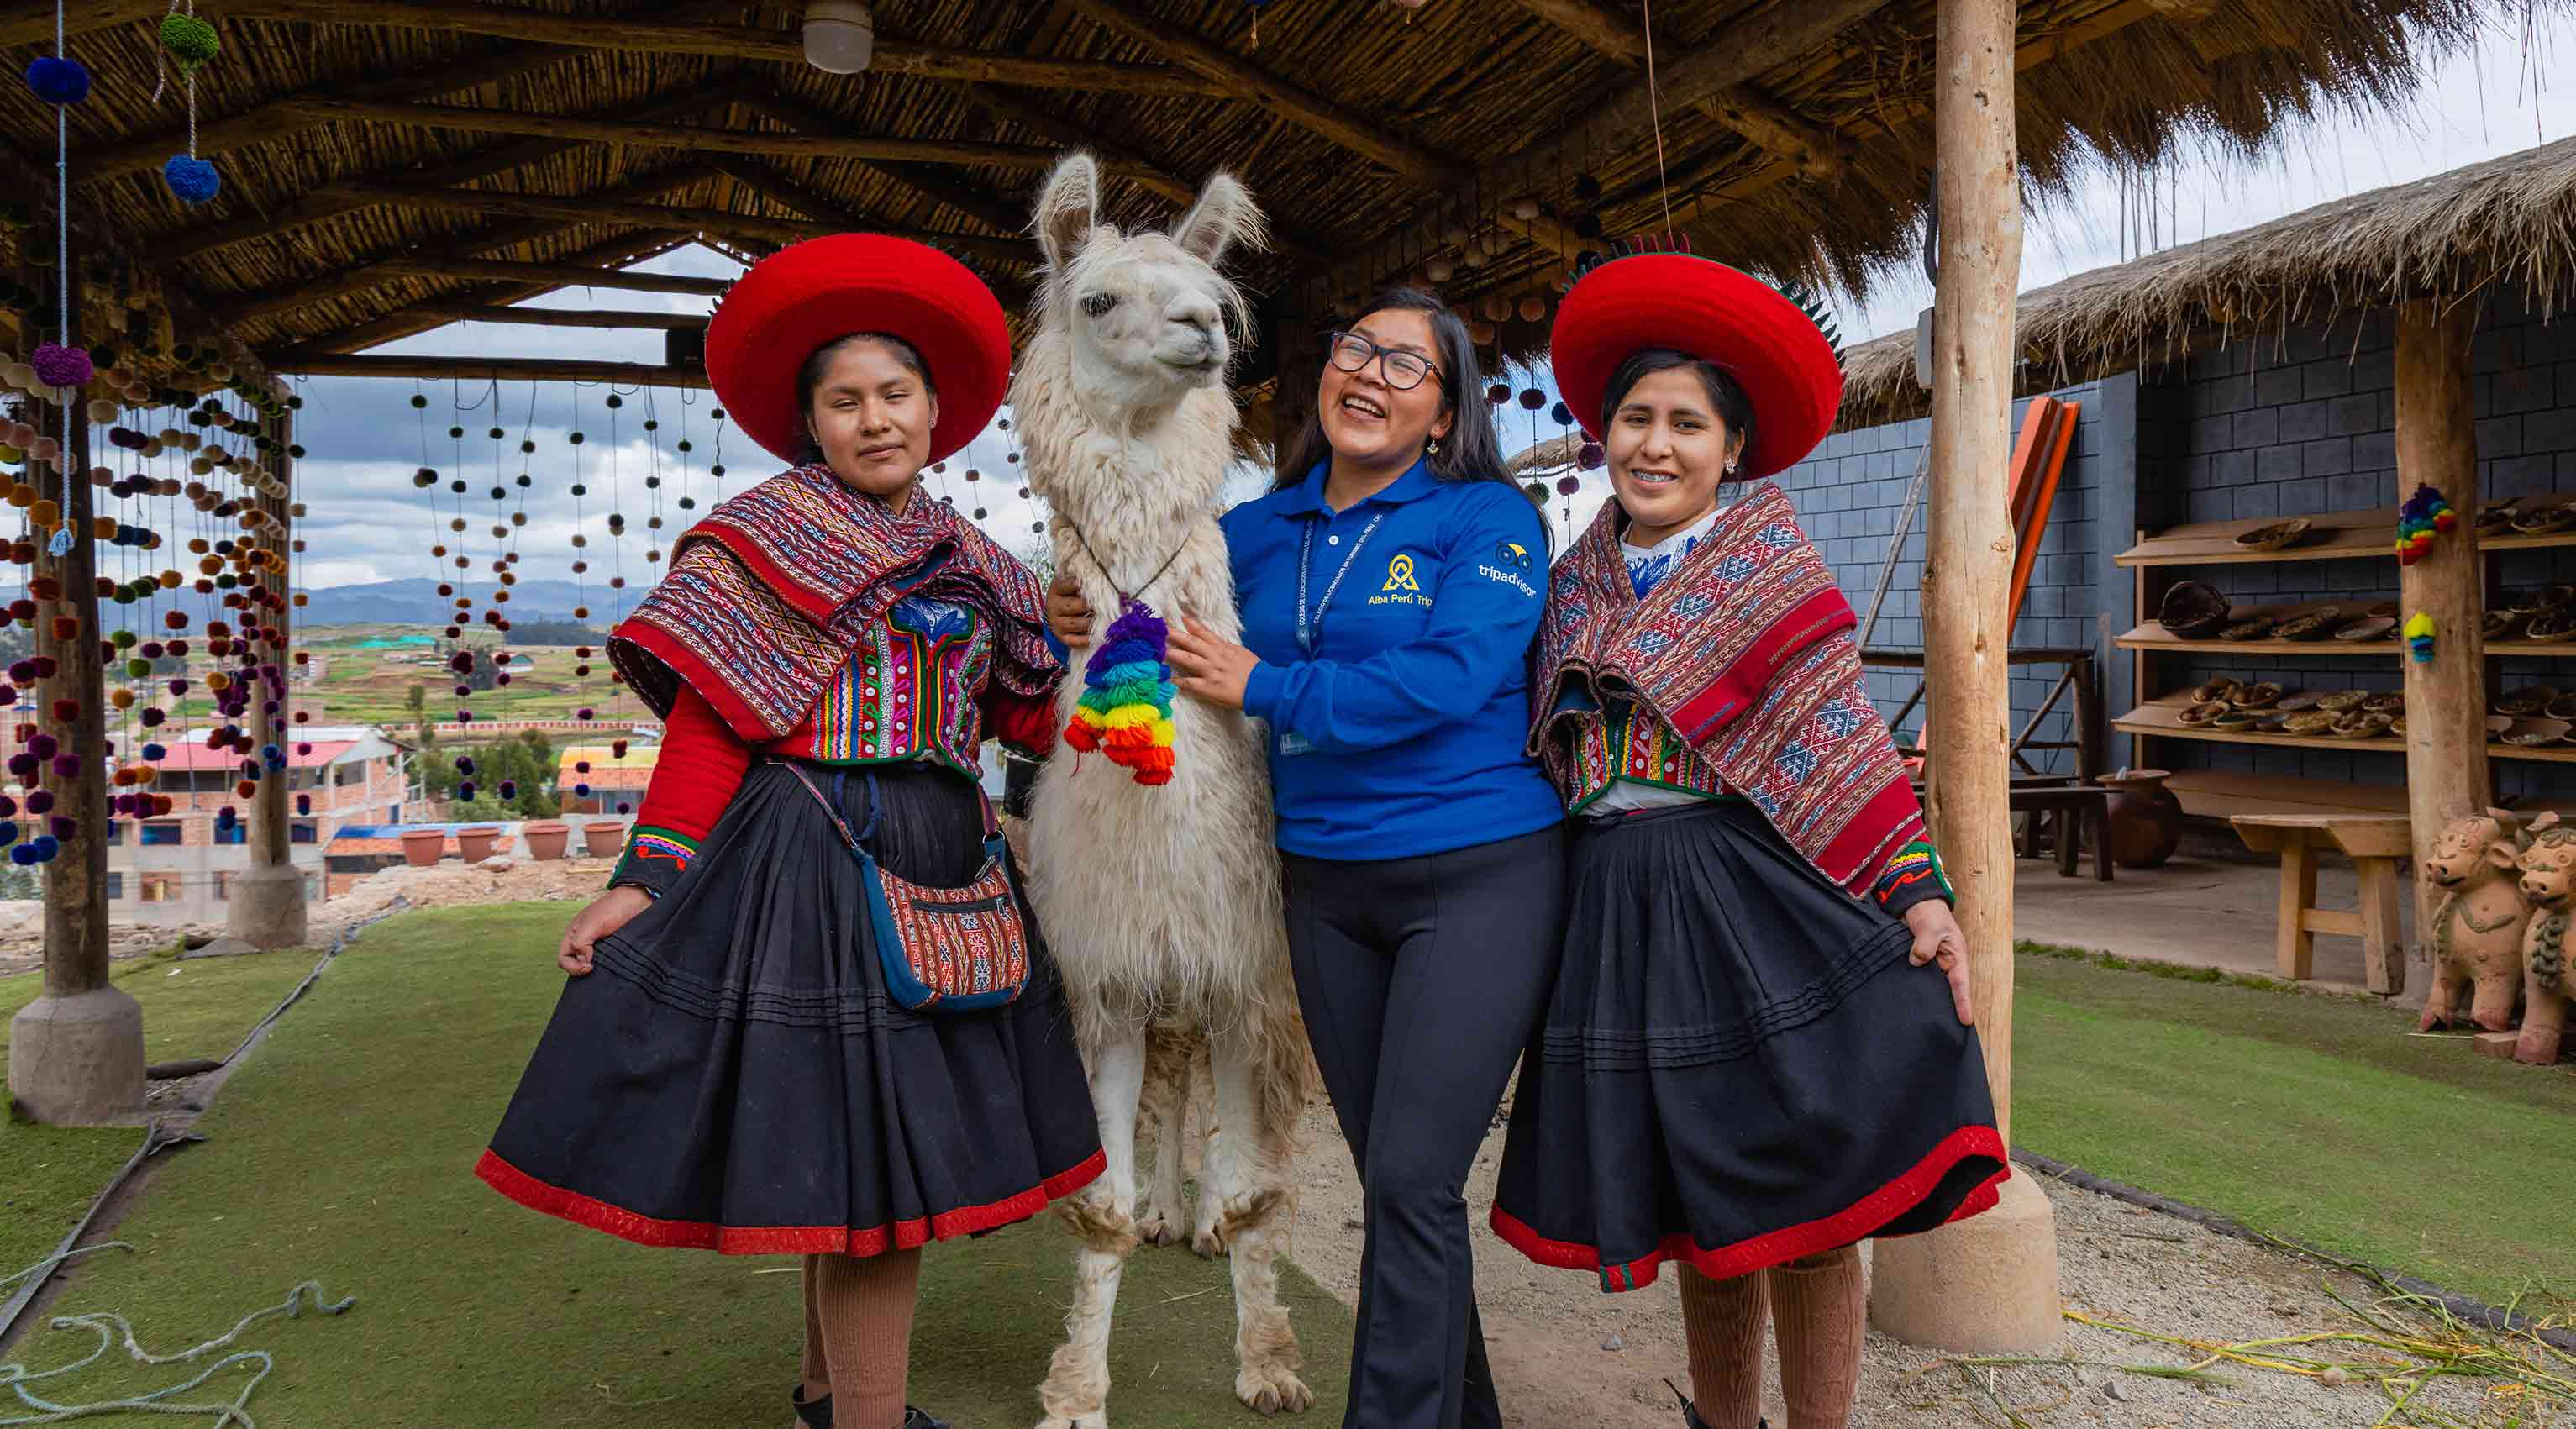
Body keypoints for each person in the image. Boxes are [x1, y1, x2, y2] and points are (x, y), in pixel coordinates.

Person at [477, 235, 1102, 1429]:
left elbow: (1022, 714)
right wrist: (642, 883)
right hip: (809, 850)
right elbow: (712, 727)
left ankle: (826, 1397)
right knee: (875, 1170)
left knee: (859, 1153)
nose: (876, 420)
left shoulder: (980, 562)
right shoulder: (757, 541)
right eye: (845, 401)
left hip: (944, 848)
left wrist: (1089, 642)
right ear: (808, 422)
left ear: (935, 409)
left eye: (895, 395)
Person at [1488, 242, 2008, 1429]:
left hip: (1754, 895)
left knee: (1810, 1190)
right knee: (1699, 1213)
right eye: (1634, 418)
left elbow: (1838, 737)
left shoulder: (1767, 561)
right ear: (1600, 435)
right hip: (1617, 908)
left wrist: (1920, 893)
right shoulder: (1569, 585)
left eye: (1684, 424)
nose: (1654, 445)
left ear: (1730, 449)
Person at [1047, 289, 1565, 1429]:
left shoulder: (1487, 521)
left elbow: (1451, 678)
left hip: (1476, 870)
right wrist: (1085, 617)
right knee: (1401, 1180)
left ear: (1443, 413)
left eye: (1406, 365)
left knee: (1414, 1180)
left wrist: (1266, 685)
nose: (1370, 374)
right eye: (1354, 349)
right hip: (1321, 886)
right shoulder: (1256, 530)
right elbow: (1152, 608)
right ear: (1322, 374)